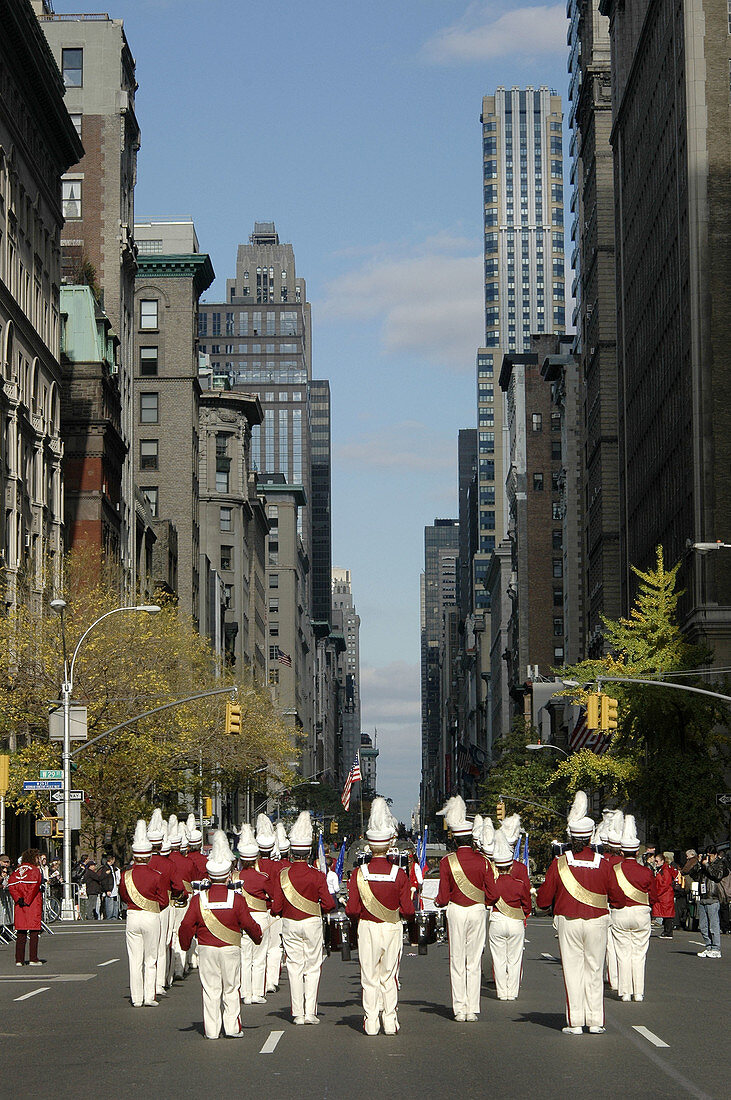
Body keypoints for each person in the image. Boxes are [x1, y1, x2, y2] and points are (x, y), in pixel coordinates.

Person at [536, 790, 622, 1035]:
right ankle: (596, 1021)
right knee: (595, 968)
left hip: (569, 921)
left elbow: (544, 899)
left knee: (573, 971)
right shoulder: (604, 864)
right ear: (590, 838)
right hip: (597, 922)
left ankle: (575, 1021)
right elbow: (616, 896)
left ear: (572, 838)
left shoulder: (559, 863)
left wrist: (542, 901)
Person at [179, 830, 263, 1040]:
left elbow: (186, 925)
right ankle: (232, 1027)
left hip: (206, 949)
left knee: (210, 990)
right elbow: (248, 923)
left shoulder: (199, 900)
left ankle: (212, 1030)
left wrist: (184, 944)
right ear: (227, 875)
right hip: (230, 950)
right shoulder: (236, 899)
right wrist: (258, 936)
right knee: (231, 988)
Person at [345, 798, 414, 1036]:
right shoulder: (399, 873)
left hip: (367, 927)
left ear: (369, 844)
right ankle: (390, 1021)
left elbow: (352, 909)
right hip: (392, 927)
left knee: (369, 976)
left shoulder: (358, 873)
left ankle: (371, 1021)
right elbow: (408, 910)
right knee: (389, 976)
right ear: (389, 844)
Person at [270, 811, 335, 1025]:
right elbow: (328, 904)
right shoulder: (317, 875)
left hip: (289, 923)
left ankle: (297, 1013)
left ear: (292, 853)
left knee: (294, 967)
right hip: (312, 924)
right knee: (313, 967)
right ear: (308, 854)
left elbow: (277, 906)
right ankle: (310, 1012)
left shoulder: (283, 875)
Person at [435, 795, 493, 1022]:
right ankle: (473, 1008)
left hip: (457, 910)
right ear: (471, 838)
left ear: (455, 840)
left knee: (457, 959)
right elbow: (493, 894)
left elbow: (442, 896)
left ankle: (459, 1008)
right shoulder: (484, 862)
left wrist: (441, 902)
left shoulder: (446, 862)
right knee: (474, 960)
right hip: (478, 911)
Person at [118, 820, 169, 1007]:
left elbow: (123, 896)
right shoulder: (156, 875)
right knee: (151, 958)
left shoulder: (126, 875)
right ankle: (149, 996)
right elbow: (163, 900)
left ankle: (136, 998)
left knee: (134, 959)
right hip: (151, 917)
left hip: (132, 916)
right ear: (148, 857)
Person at [608, 815, 657, 1002]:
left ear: (622, 853)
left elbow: (611, 892)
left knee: (622, 953)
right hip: (641, 913)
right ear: (637, 852)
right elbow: (653, 896)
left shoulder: (615, 870)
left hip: (620, 912)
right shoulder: (645, 871)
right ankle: (638, 992)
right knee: (639, 954)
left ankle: (625, 992)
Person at [485, 823, 531, 1001]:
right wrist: (523, 914)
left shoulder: (493, 882)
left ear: (497, 866)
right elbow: (526, 904)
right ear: (510, 866)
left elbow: (488, 899)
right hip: (515, 922)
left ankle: (501, 991)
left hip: (497, 919)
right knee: (514, 958)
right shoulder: (519, 884)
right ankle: (512, 992)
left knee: (498, 958)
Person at [236, 823, 273, 1004]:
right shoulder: (262, 878)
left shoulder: (233, 877)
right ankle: (258, 993)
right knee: (259, 957)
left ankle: (245, 993)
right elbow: (272, 896)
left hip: (240, 920)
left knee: (244, 957)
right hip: (259, 917)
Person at [147, 811, 174, 997]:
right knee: (162, 946)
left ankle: (144, 988)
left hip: (145, 907)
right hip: (165, 905)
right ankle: (159, 983)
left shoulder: (140, 865)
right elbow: (177, 885)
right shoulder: (169, 864)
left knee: (145, 950)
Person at [167, 815, 196, 980]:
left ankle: (168, 972)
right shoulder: (188, 862)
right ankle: (181, 966)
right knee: (182, 931)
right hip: (185, 898)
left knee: (168, 935)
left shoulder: (167, 862)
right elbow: (193, 880)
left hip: (167, 900)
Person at [256, 813, 282, 992]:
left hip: (256, 909)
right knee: (274, 947)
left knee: (257, 950)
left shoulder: (250, 867)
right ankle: (271, 981)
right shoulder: (279, 867)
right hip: (274, 910)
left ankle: (257, 983)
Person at [687, 847, 726, 958]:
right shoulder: (702, 866)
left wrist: (707, 865)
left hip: (713, 898)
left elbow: (717, 876)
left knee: (713, 925)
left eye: (710, 856)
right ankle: (708, 946)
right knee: (703, 925)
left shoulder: (719, 864)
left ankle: (716, 948)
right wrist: (699, 864)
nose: (708, 858)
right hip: (703, 896)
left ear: (715, 855)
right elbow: (693, 875)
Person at [8, 849, 44, 966]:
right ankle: (33, 958)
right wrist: (27, 899)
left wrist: (18, 898)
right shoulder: (35, 870)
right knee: (34, 931)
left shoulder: (17, 870)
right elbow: (34, 886)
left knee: (21, 932)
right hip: (32, 903)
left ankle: (19, 959)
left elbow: (11, 885)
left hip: (20, 904)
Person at [602, 810, 624, 989]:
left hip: (608, 905)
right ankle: (624, 981)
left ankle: (613, 977)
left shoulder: (604, 862)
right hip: (626, 905)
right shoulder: (629, 863)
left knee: (610, 945)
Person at [650, 852, 676, 939]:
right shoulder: (662, 870)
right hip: (664, 894)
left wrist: (658, 893)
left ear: (662, 861)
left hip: (665, 894)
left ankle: (668, 932)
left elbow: (665, 883)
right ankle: (666, 931)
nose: (656, 863)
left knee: (667, 914)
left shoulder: (665, 870)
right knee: (666, 913)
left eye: (657, 861)